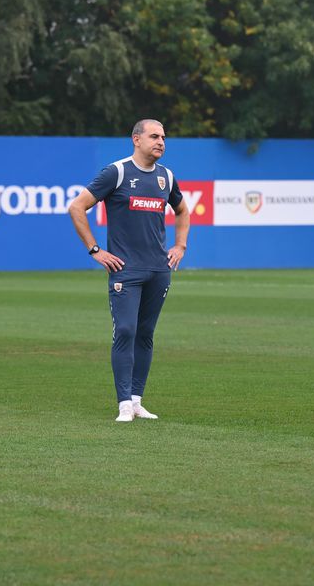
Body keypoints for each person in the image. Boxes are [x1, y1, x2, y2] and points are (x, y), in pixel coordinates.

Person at [68, 119, 191, 422]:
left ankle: (137, 400)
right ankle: (123, 403)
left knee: (146, 334)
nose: (161, 141)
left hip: (158, 270)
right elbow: (76, 207)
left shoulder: (166, 177)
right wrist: (95, 250)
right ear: (136, 139)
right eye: (154, 136)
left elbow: (183, 211)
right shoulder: (117, 172)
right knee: (125, 330)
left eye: (163, 136)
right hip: (125, 270)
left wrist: (180, 247)